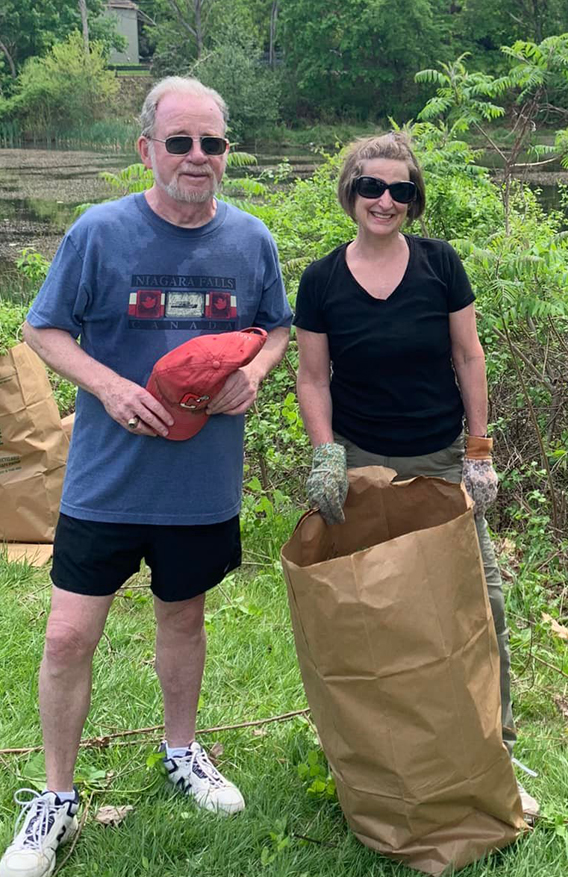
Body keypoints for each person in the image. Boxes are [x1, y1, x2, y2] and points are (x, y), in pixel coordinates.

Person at [1, 77, 292, 877]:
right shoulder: (99, 232)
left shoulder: (250, 240)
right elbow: (42, 326)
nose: (198, 157)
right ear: (146, 150)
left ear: (226, 152)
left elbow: (274, 327)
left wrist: (257, 371)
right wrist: (107, 383)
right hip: (106, 479)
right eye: (180, 142)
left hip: (200, 483)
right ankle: (56, 799)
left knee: (182, 620)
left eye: (213, 143)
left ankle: (181, 750)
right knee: (67, 635)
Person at [293, 132, 538, 818]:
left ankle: (495, 745)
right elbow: (313, 378)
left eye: (400, 190)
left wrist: (479, 450)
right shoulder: (321, 280)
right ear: (350, 192)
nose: (385, 200)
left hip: (436, 459)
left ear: (414, 200)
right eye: (371, 186)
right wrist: (325, 454)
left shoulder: (440, 265)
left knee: (477, 604)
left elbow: (469, 357)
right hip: (360, 461)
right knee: (371, 611)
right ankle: (378, 748)